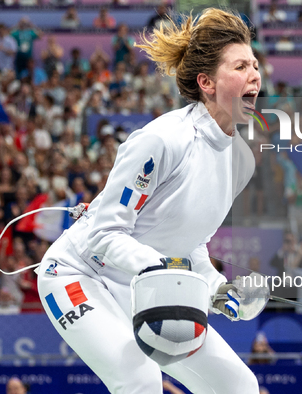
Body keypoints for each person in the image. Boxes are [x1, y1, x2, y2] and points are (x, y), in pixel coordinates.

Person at [36, 8, 260, 393]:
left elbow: (191, 242)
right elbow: (104, 233)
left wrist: (217, 288)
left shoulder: (241, 160)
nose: (255, 74)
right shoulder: (162, 140)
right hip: (77, 276)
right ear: (206, 82)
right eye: (240, 66)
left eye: (255, 65)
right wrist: (167, 273)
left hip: (151, 286)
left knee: (237, 385)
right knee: (139, 378)